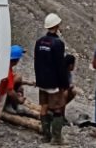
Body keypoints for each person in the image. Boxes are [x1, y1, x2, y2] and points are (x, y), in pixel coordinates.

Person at [34, 13, 69, 145]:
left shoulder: (39, 42)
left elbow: (36, 62)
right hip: (54, 83)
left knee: (44, 107)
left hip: (42, 81)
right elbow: (60, 66)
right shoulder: (58, 43)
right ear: (57, 25)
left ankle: (46, 136)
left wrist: (38, 79)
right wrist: (64, 83)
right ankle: (56, 138)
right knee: (57, 108)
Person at [5, 44, 33, 115]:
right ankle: (9, 104)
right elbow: (10, 91)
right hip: (1, 94)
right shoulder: (7, 71)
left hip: (3, 90)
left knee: (19, 79)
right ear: (17, 60)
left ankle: (15, 104)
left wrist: (28, 83)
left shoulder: (7, 66)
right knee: (18, 85)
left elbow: (12, 81)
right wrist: (18, 99)